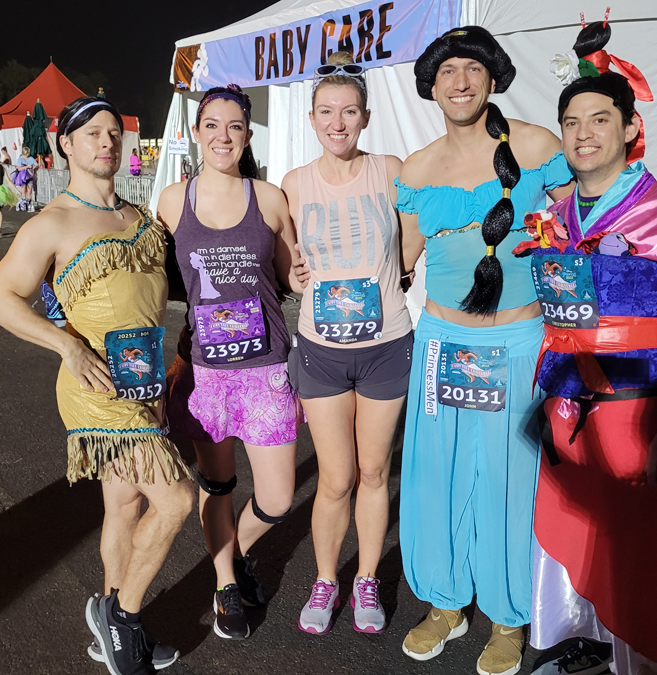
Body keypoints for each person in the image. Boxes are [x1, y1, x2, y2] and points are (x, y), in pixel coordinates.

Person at [523, 19, 657, 675]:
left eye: (599, 119)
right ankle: (583, 646)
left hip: (640, 413)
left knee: (642, 559)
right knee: (574, 538)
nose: (583, 133)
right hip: (566, 411)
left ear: (628, 128)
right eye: (571, 122)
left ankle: (644, 663)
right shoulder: (553, 218)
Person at [0, 95, 193, 675]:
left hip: (144, 383)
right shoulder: (51, 223)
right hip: (95, 387)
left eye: (114, 133)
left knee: (124, 506)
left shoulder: (139, 217)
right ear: (66, 145)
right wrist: (67, 346)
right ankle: (122, 618)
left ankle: (112, 630)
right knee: (177, 499)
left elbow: (155, 301)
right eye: (93, 133)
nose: (107, 142)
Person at [394, 27, 575, 675]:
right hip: (441, 343)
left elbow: (583, 230)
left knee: (509, 480)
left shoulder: (536, 146)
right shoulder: (416, 169)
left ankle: (507, 615)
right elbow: (402, 261)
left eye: (473, 68)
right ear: (431, 86)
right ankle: (445, 603)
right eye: (448, 71)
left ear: (493, 77)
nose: (461, 81)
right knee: (436, 476)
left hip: (518, 343)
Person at [156, 84, 301, 641]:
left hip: (265, 367)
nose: (223, 136)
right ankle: (225, 583)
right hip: (205, 371)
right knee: (217, 485)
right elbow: (155, 280)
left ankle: (235, 551)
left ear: (247, 134)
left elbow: (288, 276)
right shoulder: (173, 201)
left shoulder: (269, 198)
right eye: (212, 125)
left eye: (234, 126)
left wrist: (307, 275)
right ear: (196, 132)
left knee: (277, 497)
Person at [280, 51, 413, 637]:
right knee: (335, 479)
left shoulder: (390, 170)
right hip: (322, 350)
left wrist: (395, 278)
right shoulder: (294, 184)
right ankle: (325, 579)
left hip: (386, 344)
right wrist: (293, 278)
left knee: (375, 471)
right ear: (311, 118)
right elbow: (289, 262)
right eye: (327, 112)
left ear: (365, 117)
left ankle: (366, 579)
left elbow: (411, 241)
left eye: (350, 111)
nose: (338, 123)